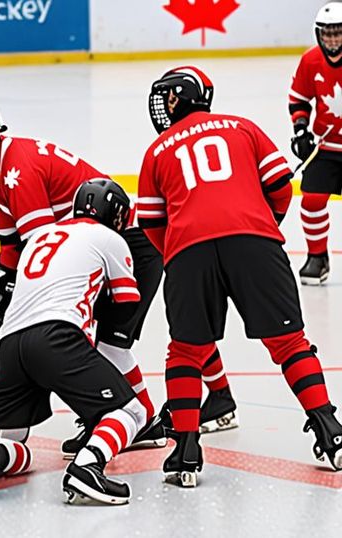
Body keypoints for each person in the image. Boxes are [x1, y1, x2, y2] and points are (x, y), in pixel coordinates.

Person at [0, 96, 179, 454]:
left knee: (108, 342)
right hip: (101, 242)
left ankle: (138, 420)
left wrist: (9, 305)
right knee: (101, 341)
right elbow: (12, 251)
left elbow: (39, 248)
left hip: (128, 241)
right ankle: (131, 418)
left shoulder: (18, 169)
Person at [139, 65, 342, 488]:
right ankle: (330, 429)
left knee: (186, 352)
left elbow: (152, 222)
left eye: (168, 97)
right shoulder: (244, 128)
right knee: (289, 344)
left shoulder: (157, 150)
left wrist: (178, 251)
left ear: (178, 98)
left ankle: (186, 450)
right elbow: (281, 187)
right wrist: (264, 230)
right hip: (255, 241)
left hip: (188, 250)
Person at [0, 179, 148, 506]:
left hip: (11, 345)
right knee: (131, 412)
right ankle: (88, 468)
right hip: (58, 336)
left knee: (19, 447)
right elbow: (126, 303)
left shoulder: (40, 237)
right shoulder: (110, 238)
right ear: (114, 214)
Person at [290, 2, 342, 285]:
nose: (333, 40)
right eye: (328, 34)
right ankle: (317, 257)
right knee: (311, 200)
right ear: (318, 34)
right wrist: (301, 130)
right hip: (328, 145)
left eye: (338, 33)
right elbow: (299, 98)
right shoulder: (311, 61)